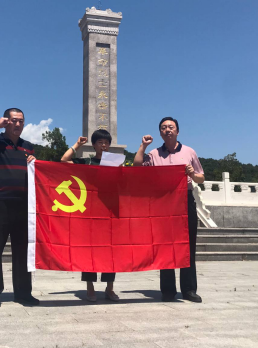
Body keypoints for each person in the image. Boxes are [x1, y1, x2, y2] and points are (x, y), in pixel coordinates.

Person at [133, 116, 205, 303]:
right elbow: (137, 166)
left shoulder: (189, 152)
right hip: (163, 203)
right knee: (165, 246)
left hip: (184, 200)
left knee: (188, 245)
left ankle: (189, 289)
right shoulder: (154, 154)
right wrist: (143, 146)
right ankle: (168, 290)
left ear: (177, 131)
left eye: (171, 127)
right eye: (164, 128)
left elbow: (201, 178)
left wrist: (192, 174)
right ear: (160, 133)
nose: (167, 130)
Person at [0, 108, 39, 308]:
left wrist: (34, 163)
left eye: (21, 121)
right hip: (0, 203)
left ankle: (23, 293)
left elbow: (35, 174)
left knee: (23, 251)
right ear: (6, 122)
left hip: (24, 205)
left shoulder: (28, 147)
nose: (18, 124)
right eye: (14, 120)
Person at [61, 129, 120, 302]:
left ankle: (110, 288)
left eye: (106, 142)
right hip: (90, 212)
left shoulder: (115, 164)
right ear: (94, 145)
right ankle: (90, 287)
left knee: (110, 251)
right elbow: (64, 160)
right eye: (100, 142)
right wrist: (77, 145)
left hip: (109, 211)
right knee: (89, 251)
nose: (103, 145)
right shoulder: (86, 162)